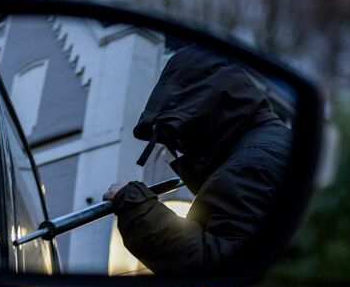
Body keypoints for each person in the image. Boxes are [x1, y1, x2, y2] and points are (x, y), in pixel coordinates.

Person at [102, 45, 292, 274]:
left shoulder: (249, 165)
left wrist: (133, 203)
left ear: (201, 114)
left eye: (183, 133)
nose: (182, 146)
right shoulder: (267, 142)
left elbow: (217, 265)